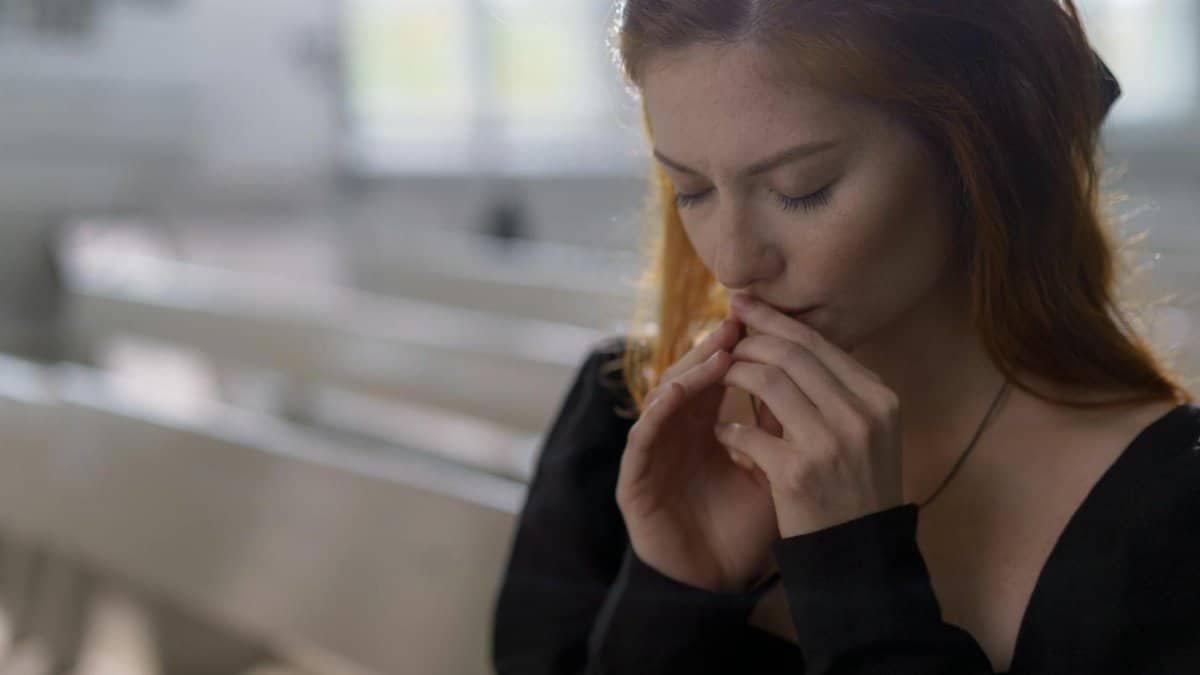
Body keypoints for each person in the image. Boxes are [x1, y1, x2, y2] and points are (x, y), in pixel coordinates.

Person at [491, 1, 1200, 673]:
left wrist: (858, 580)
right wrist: (672, 590)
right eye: (692, 190)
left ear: (977, 155)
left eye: (802, 187)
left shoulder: (1170, 509)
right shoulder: (629, 418)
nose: (732, 261)